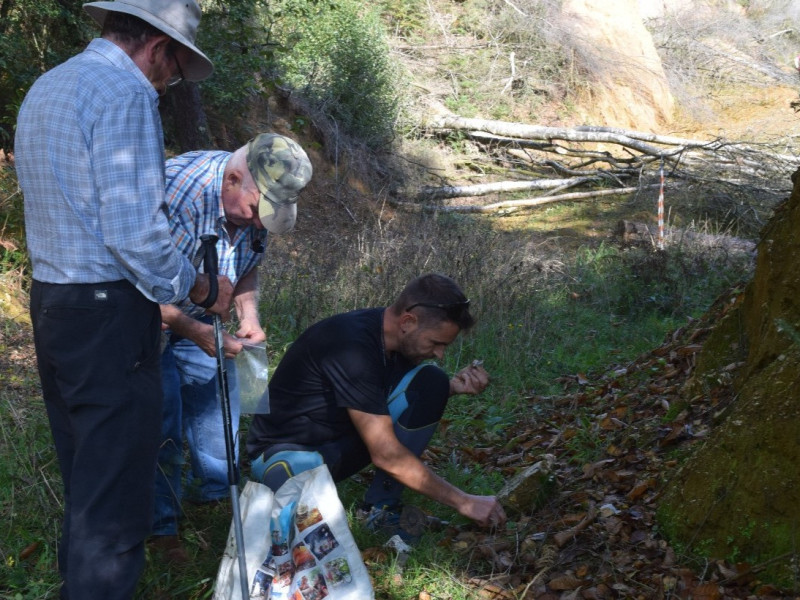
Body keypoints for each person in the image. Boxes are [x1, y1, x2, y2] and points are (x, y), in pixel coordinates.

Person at [13, 1, 233, 598]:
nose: (169, 83)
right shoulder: (126, 92)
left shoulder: (51, 83)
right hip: (109, 311)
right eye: (176, 71)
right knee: (115, 498)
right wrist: (201, 288)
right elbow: (136, 232)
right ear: (159, 48)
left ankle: (76, 588)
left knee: (88, 472)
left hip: (54, 303)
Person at [150, 133, 313, 561]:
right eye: (256, 211)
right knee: (159, 418)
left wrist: (249, 318)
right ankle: (160, 528)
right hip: (146, 322)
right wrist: (193, 329)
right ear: (233, 178)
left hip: (205, 318)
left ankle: (218, 502)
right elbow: (134, 286)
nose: (260, 222)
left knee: (219, 414)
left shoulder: (253, 203)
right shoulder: (175, 193)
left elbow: (246, 268)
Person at [246, 274, 507, 540]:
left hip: (339, 439)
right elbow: (386, 454)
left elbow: (377, 398)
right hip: (287, 453)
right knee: (312, 539)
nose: (440, 354)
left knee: (433, 382)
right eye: (436, 343)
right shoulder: (351, 345)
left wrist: (451, 388)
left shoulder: (396, 341)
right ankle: (284, 488)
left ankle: (379, 510)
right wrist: (464, 501)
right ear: (407, 321)